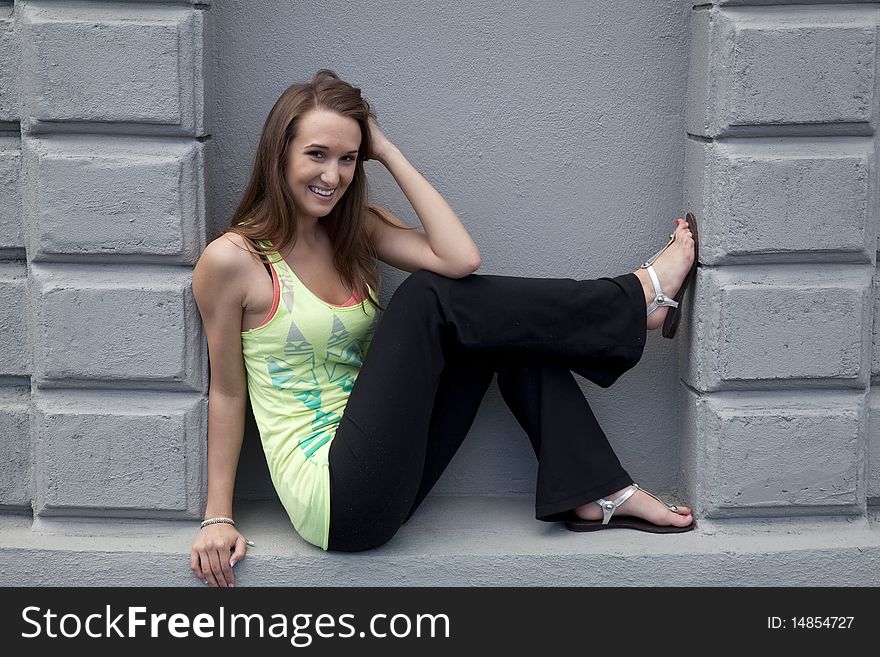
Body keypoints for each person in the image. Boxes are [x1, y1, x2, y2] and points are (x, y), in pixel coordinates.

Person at [190, 69, 697, 587]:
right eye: (317, 154)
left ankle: (596, 490)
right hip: (335, 501)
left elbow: (460, 258)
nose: (333, 175)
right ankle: (636, 298)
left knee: (501, 329)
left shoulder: (353, 229)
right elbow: (227, 393)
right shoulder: (233, 261)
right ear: (280, 154)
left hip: (390, 475)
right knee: (428, 295)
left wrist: (385, 150)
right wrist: (217, 517)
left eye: (347, 158)